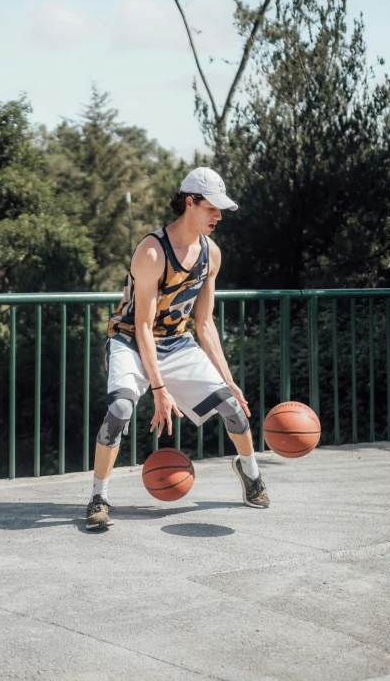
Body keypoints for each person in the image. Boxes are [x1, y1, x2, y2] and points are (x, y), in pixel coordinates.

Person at [86, 167, 269, 530]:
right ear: (190, 202)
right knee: (121, 407)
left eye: (221, 209)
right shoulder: (152, 251)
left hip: (177, 342)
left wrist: (228, 379)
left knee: (233, 407)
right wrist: (158, 388)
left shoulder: (211, 254)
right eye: (212, 207)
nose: (219, 215)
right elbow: (141, 324)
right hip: (130, 340)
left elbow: (204, 323)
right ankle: (98, 497)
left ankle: (251, 475)